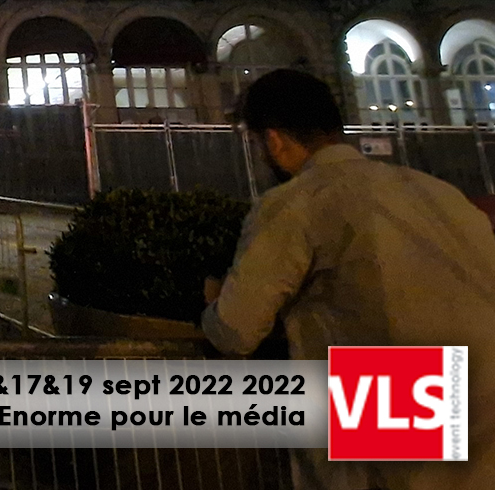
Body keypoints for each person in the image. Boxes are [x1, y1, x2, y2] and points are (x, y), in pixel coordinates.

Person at [202, 69, 495, 490]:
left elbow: (235, 329)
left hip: (396, 420)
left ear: (274, 141)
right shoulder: (439, 193)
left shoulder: (297, 203)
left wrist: (213, 300)